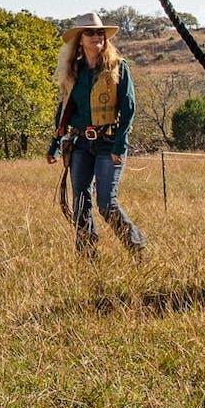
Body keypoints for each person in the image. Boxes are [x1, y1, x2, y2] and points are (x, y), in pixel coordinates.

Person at [47, 13, 145, 256]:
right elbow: (65, 108)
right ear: (80, 39)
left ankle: (137, 247)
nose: (96, 36)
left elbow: (128, 107)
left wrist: (120, 145)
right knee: (80, 203)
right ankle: (87, 256)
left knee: (106, 203)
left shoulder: (118, 67)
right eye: (90, 32)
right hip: (80, 143)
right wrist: (56, 143)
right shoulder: (74, 71)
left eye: (99, 32)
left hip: (108, 142)